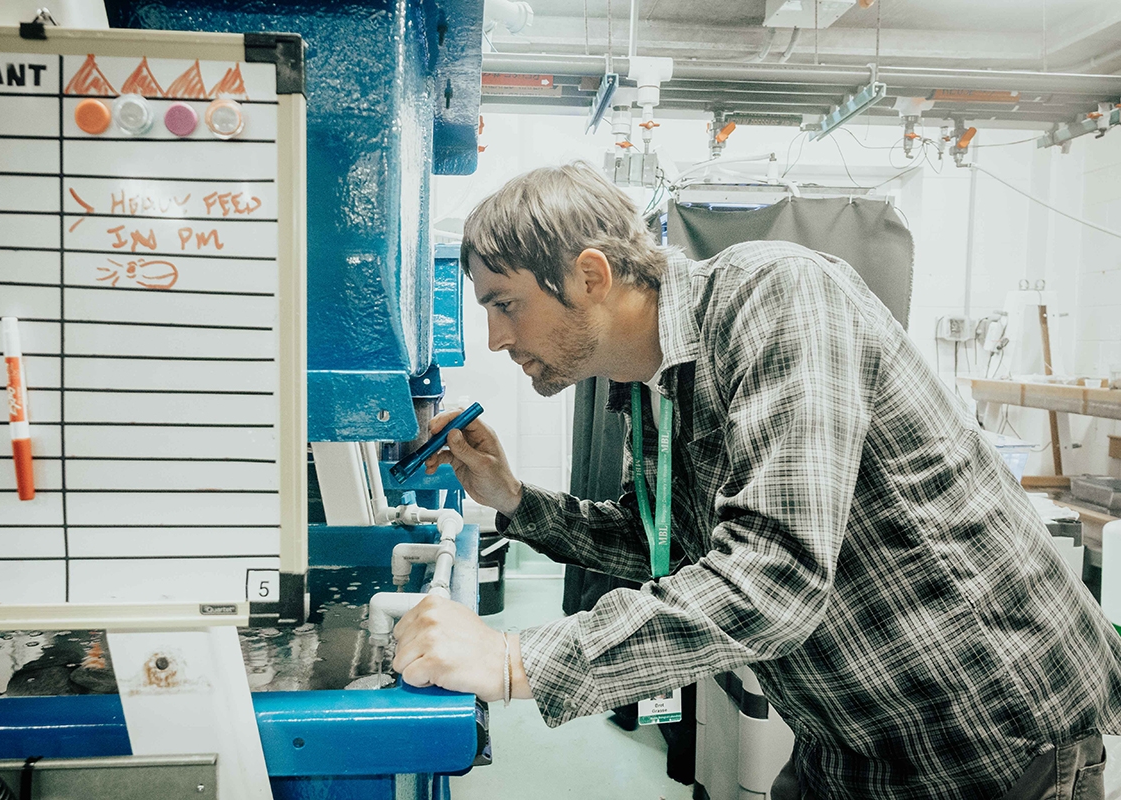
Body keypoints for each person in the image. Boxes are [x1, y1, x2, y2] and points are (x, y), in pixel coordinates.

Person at [391, 162, 1121, 799]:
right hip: (848, 739)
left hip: (988, 736)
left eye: (505, 303)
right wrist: (511, 498)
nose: (495, 339)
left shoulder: (779, 298)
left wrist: (516, 659)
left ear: (590, 276)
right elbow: (671, 550)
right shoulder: (646, 388)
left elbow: (776, 579)